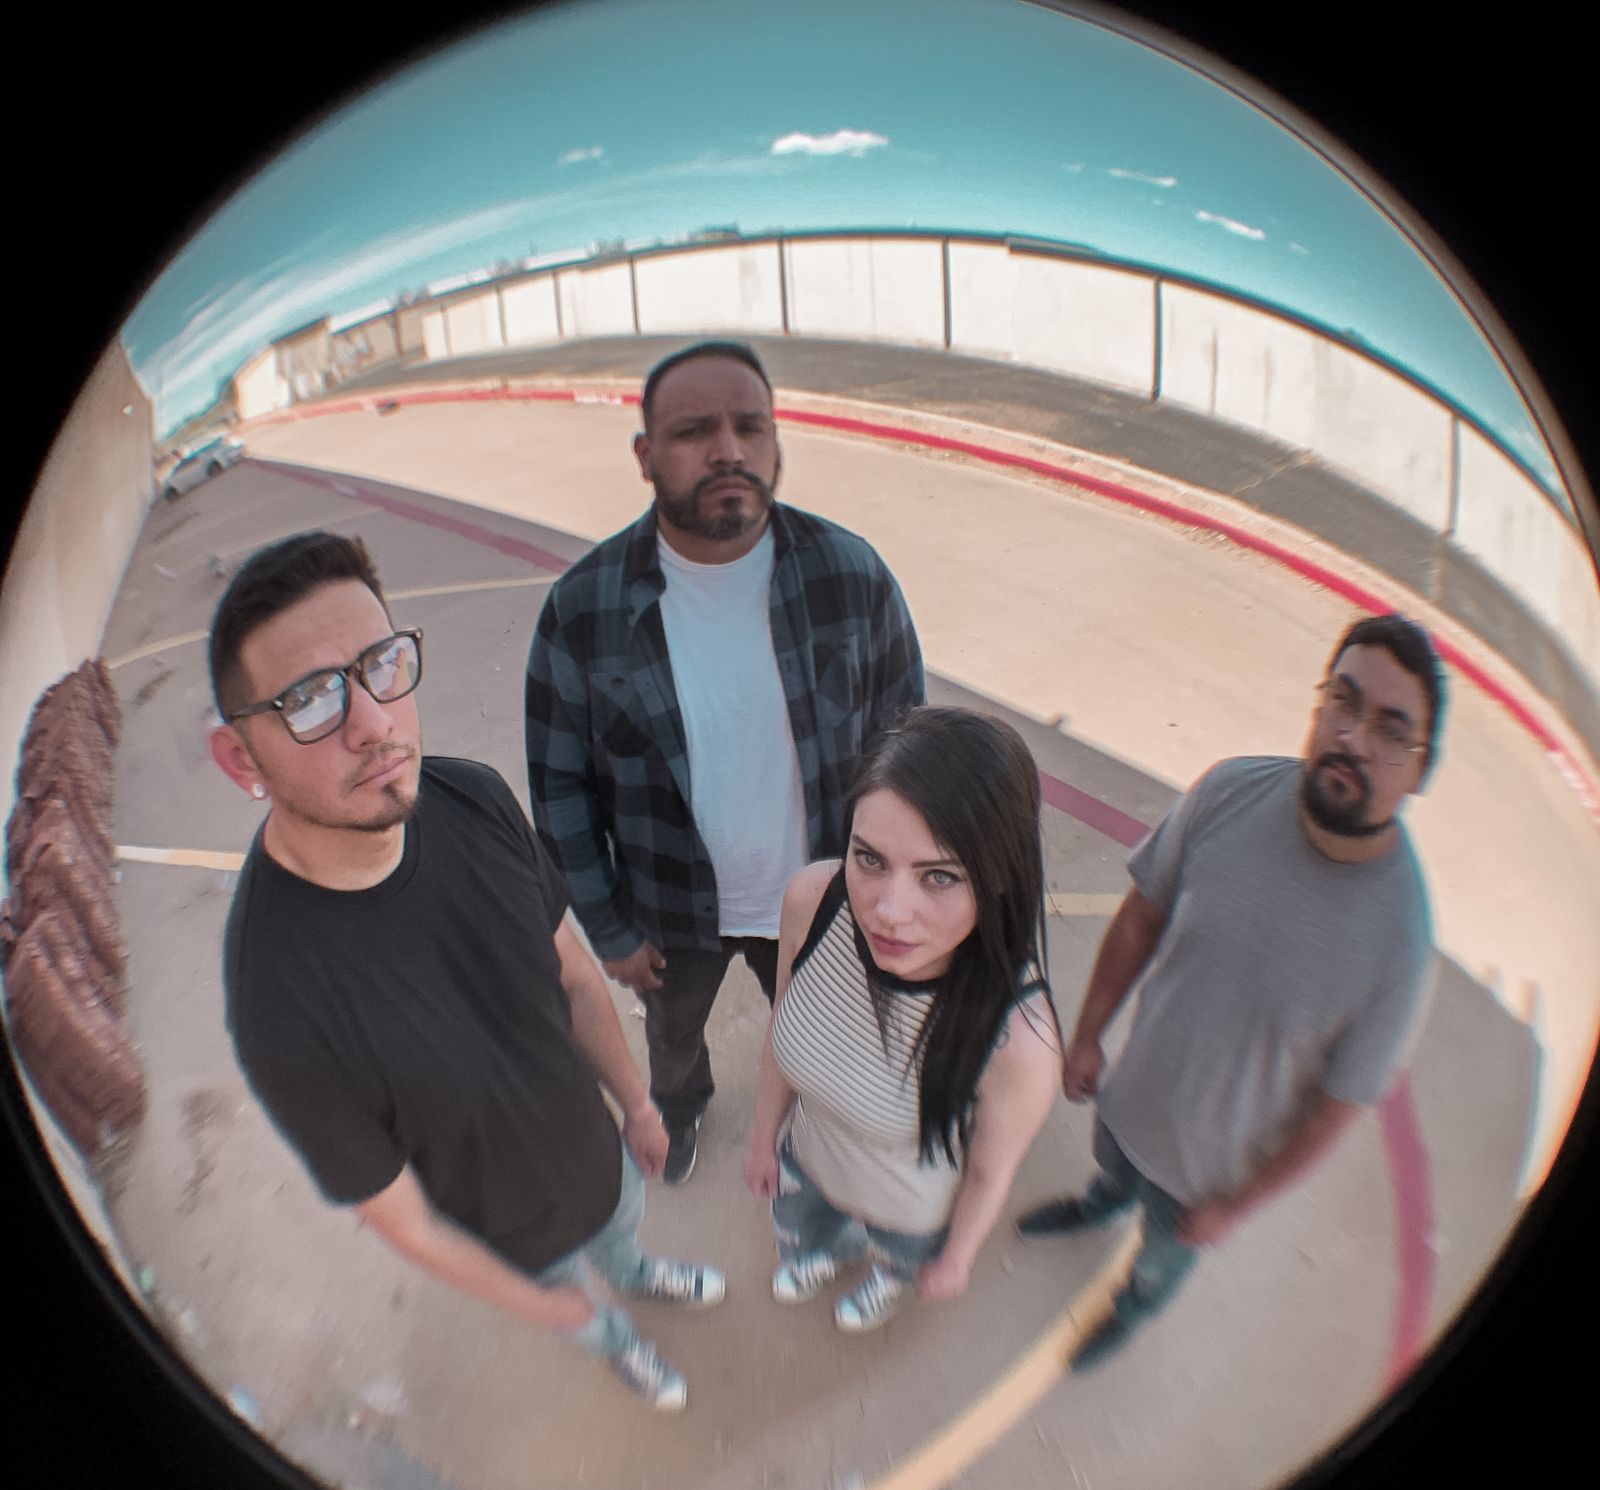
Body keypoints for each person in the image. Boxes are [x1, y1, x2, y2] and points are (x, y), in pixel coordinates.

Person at [209, 530, 724, 1413]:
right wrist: (540, 1305)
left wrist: (638, 1106)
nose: (375, 723)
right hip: (514, 1242)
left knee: (623, 1241)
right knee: (585, 1313)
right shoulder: (276, 1006)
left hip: (598, 1158)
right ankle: (616, 1342)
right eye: (310, 700)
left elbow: (573, 978)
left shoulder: (475, 798)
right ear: (240, 760)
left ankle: (639, 1274)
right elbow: (403, 1221)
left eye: (380, 664)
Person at [525, 339, 925, 1185]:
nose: (728, 450)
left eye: (750, 427)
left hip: (823, 902)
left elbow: (909, 749)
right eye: (693, 432)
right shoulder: (584, 608)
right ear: (645, 456)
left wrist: (893, 898)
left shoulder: (852, 578)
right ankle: (681, 1104)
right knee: (672, 1039)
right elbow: (561, 789)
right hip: (668, 912)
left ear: (777, 443)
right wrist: (609, 931)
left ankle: (814, 1111)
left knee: (821, 1030)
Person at [1016, 613, 1445, 1369]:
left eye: (1390, 730)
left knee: (1158, 1263)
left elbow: (1337, 1108)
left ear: (1419, 772)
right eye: (1343, 702)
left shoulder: (1400, 945)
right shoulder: (1229, 791)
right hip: (1129, 1099)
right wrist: (1086, 1036)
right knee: (1112, 1172)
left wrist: (1237, 1206)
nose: (1353, 738)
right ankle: (1100, 1204)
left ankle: (1131, 1307)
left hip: (1204, 1182)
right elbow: (1141, 916)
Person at [742, 706, 1063, 1333]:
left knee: (897, 1259)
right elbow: (784, 1027)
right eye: (869, 859)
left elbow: (990, 1171)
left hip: (909, 1211)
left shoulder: (1019, 1042)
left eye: (939, 876)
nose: (888, 911)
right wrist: (763, 1139)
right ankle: (824, 1253)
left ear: (1000, 877)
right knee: (807, 1235)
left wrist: (957, 1257)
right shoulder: (813, 900)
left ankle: (887, 1277)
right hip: (806, 1164)